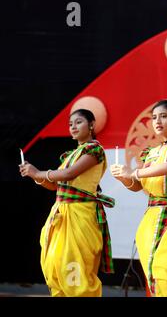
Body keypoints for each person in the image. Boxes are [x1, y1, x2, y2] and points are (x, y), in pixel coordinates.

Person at [19, 109, 115, 297]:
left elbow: (69, 174)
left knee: (74, 269)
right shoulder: (70, 155)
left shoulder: (94, 150)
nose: (73, 127)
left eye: (78, 122)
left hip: (80, 214)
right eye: (70, 124)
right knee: (54, 265)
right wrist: (34, 176)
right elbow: (56, 185)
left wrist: (38, 173)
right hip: (61, 214)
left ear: (92, 125)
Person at [110, 100, 167, 297]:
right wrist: (124, 178)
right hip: (151, 219)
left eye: (163, 116)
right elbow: (137, 187)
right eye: (153, 117)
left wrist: (133, 172)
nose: (157, 121)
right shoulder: (151, 152)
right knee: (156, 275)